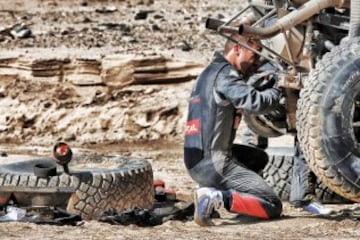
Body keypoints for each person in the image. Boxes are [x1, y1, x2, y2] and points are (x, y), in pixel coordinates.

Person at [183, 34, 283, 226]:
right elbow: (255, 103)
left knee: (258, 158)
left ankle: (210, 189)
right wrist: (277, 88)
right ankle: (216, 196)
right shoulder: (226, 76)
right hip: (213, 163)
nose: (256, 62)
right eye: (254, 55)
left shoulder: (209, 72)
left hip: (194, 160)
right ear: (237, 49)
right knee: (272, 204)